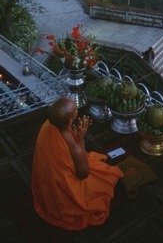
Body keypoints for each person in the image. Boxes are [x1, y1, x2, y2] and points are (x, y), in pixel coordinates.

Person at [31, 97, 124, 231]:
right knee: (107, 180)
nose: (77, 108)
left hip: (47, 184)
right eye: (75, 108)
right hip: (65, 194)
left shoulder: (48, 125)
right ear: (70, 120)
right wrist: (80, 139)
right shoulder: (73, 146)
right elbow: (83, 174)